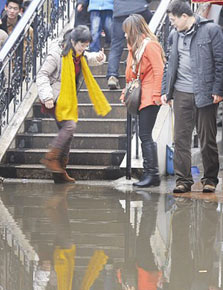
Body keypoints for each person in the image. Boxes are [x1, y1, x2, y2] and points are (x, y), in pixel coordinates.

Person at [161, 0, 223, 194]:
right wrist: (167, 91)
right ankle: (183, 180)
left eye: (174, 19)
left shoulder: (211, 30)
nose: (172, 23)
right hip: (181, 93)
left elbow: (222, 61)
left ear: (184, 16)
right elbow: (169, 65)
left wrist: (218, 89)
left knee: (207, 138)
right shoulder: (174, 35)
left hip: (206, 93)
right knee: (180, 139)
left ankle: (210, 179)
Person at [36, 26, 110, 183]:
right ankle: (51, 159)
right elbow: (42, 75)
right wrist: (47, 96)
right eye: (81, 45)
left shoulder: (78, 54)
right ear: (72, 41)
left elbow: (87, 58)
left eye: (86, 45)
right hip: (56, 99)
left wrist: (99, 57)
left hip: (68, 99)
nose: (84, 48)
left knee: (68, 134)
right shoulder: (56, 55)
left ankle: (59, 172)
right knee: (70, 127)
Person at [121, 14, 165, 187]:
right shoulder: (136, 47)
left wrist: (156, 96)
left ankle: (152, 174)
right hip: (142, 96)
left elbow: (159, 71)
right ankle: (151, 174)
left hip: (150, 97)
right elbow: (130, 75)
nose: (125, 35)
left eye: (126, 32)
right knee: (145, 135)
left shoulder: (150, 45)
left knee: (145, 135)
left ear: (133, 30)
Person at [107, 0, 152, 90]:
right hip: (139, 9)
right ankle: (137, 70)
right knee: (143, 38)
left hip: (119, 11)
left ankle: (112, 75)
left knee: (116, 45)